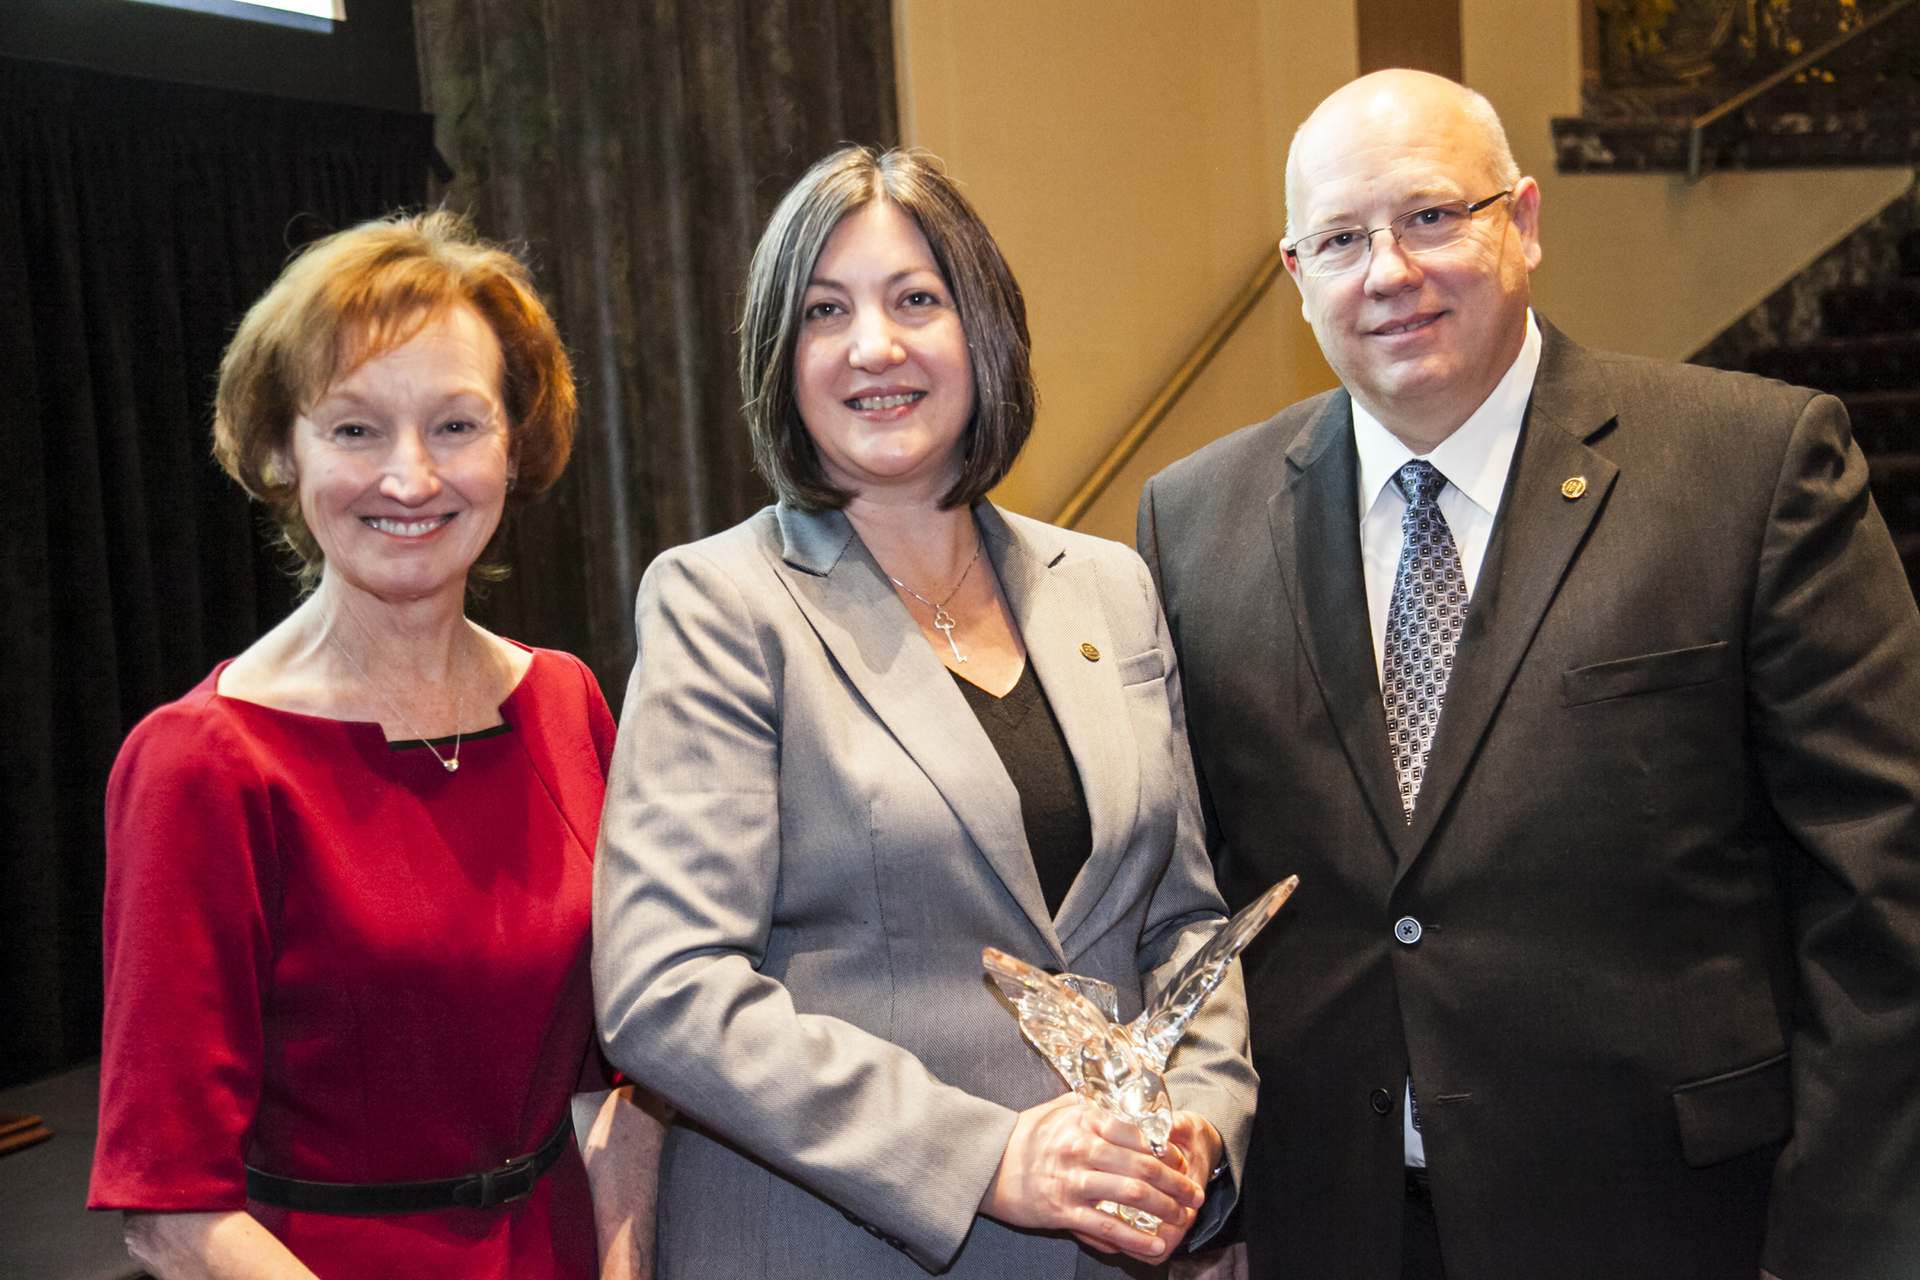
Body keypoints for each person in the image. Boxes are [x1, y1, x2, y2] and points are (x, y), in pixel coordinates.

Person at [1138, 69, 1920, 1280]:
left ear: (1526, 221)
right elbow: (1183, 891)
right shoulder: (1191, 522)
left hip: (1678, 1224)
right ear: (1297, 277)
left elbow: (1886, 885)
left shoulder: (1751, 468)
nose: (1388, 271)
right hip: (1327, 1228)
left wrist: (1844, 1240)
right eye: (1341, 239)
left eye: (1433, 216)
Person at [591, 145, 1256, 1279]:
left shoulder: (1109, 586)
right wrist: (986, 1155)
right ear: (780, 357)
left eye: (916, 300)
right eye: (825, 311)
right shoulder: (721, 601)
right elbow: (667, 986)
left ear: (982, 330)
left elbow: (1184, 923)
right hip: (833, 1247)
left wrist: (1197, 1128)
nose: (876, 346)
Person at [89, 211, 664, 1279]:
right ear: (277, 449)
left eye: (456, 424)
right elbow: (169, 1207)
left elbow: (612, 1084)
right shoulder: (202, 760)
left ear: (516, 443)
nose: (410, 477)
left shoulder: (566, 701)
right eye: (355, 428)